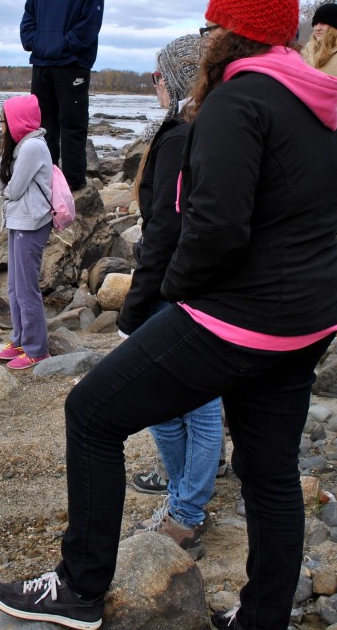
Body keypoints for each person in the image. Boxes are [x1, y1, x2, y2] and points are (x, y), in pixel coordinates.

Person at [0, 0, 337, 630]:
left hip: (240, 316)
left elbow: (214, 227)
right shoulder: (317, 104)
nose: (207, 37)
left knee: (91, 413)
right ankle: (263, 617)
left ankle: (79, 586)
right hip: (309, 317)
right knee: (271, 470)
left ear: (227, 33)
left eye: (211, 26)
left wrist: (173, 296)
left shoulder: (235, 100)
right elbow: (328, 215)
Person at [116, 35, 221, 561]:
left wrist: (133, 309)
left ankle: (187, 511)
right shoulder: (201, 128)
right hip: (195, 288)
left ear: (178, 80)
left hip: (178, 291)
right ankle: (185, 499)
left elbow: (166, 230)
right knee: (181, 403)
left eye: (157, 77)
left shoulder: (181, 136)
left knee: (183, 405)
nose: (152, 86)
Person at [20, 0, 105, 191]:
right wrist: (36, 43)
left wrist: (62, 46)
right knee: (43, 128)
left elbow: (88, 26)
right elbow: (28, 20)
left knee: (72, 126)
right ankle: (46, 181)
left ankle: (72, 184)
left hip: (72, 66)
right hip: (42, 65)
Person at [0, 94, 54, 370]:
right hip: (20, 221)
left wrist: (6, 193)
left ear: (17, 120)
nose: (2, 126)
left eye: (3, 120)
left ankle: (36, 348)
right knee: (14, 286)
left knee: (26, 288)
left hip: (31, 222)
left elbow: (15, 189)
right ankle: (20, 339)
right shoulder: (25, 146)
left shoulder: (31, 148)